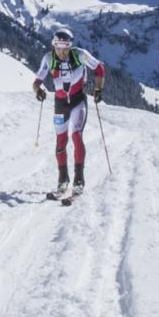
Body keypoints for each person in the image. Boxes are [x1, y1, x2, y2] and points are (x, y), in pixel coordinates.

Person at [32, 27, 105, 197]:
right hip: (60, 105)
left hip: (78, 101)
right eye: (58, 47)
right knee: (61, 142)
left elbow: (99, 68)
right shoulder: (48, 58)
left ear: (70, 46)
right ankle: (62, 180)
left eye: (65, 48)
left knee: (76, 136)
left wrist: (98, 89)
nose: (62, 52)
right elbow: (36, 81)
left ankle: (79, 180)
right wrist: (38, 91)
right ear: (53, 45)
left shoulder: (79, 54)